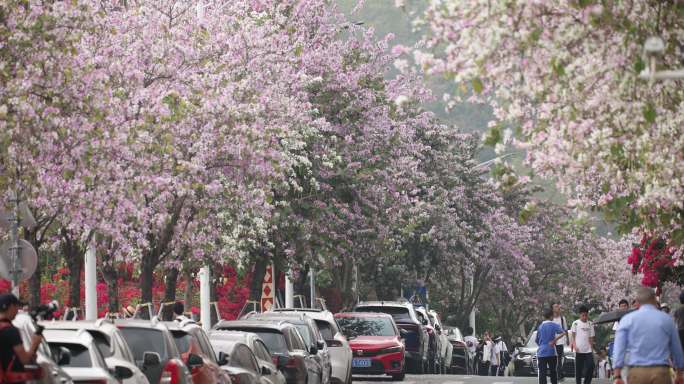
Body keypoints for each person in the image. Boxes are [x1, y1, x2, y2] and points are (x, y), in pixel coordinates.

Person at [613, 287, 684, 384]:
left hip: (636, 372)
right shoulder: (666, 319)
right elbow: (676, 348)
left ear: (637, 303)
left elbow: (619, 348)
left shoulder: (627, 320)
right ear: (655, 300)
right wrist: (679, 373)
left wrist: (617, 375)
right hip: (661, 371)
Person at [0, 293, 43, 381]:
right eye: (17, 306)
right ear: (11, 306)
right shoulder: (10, 331)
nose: (17, 310)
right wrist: (35, 343)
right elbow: (25, 360)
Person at [537, 307, 568, 384]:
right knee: (553, 372)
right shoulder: (554, 325)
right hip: (551, 352)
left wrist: (542, 345)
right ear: (551, 316)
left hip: (541, 353)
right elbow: (563, 332)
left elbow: (537, 340)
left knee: (542, 373)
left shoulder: (540, 326)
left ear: (544, 317)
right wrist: (554, 341)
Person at [570, 305, 595, 384]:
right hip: (578, 350)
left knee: (591, 366)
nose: (584, 317)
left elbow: (591, 338)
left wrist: (592, 350)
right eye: (583, 315)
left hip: (588, 350)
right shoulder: (575, 323)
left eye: (586, 315)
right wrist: (574, 346)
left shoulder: (590, 324)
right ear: (580, 314)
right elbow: (572, 337)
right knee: (579, 370)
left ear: (588, 315)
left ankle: (586, 382)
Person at [552, 302, 569, 380]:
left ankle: (558, 375)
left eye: (558, 307)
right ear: (552, 309)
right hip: (552, 341)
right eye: (555, 307)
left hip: (560, 341)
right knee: (553, 358)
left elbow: (565, 330)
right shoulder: (551, 319)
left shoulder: (562, 318)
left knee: (559, 358)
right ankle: (559, 373)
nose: (558, 308)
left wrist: (568, 339)